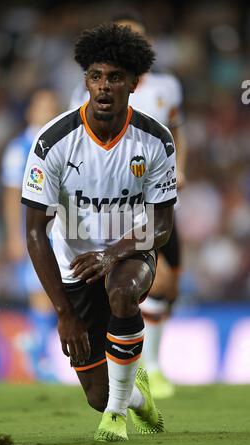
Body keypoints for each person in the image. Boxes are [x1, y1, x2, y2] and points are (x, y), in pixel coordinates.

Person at [21, 24, 176, 442]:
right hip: (74, 266)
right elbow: (35, 232)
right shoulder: (53, 142)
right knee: (97, 393)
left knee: (123, 291)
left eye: (115, 77)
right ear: (85, 80)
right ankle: (134, 398)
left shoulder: (155, 140)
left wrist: (112, 253)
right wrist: (63, 313)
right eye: (95, 76)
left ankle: (115, 420)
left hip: (129, 252)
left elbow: (161, 225)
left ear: (134, 82)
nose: (104, 86)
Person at [70, 11, 187, 399]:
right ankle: (139, 373)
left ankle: (149, 366)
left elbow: (177, 130)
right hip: (108, 204)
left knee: (168, 283)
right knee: (124, 290)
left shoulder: (167, 88)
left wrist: (179, 169)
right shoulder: (90, 90)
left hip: (154, 195)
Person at [1, 89, 60, 380]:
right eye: (43, 106)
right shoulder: (20, 148)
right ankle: (39, 357)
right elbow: (12, 194)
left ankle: (35, 346)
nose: (49, 110)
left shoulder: (62, 142)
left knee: (60, 294)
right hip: (34, 232)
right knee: (42, 293)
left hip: (62, 231)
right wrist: (14, 234)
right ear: (30, 112)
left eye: (52, 105)